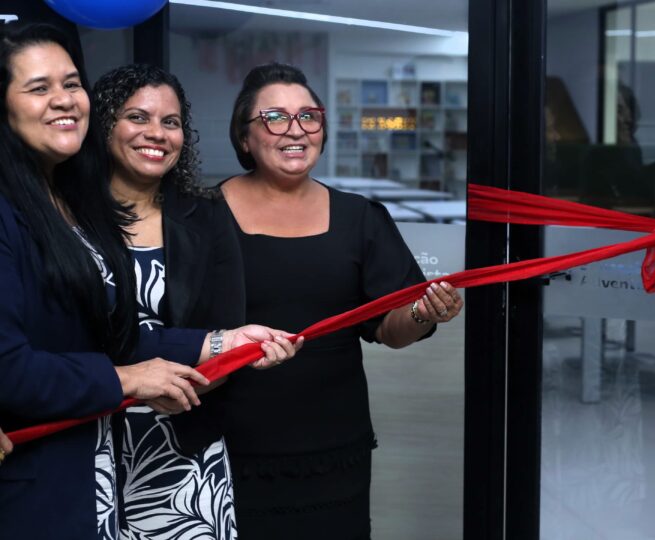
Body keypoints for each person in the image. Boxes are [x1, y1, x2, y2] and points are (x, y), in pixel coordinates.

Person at [0, 24, 300, 540]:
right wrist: (127, 379)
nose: (62, 100)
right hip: (39, 487)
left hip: (92, 481)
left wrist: (220, 341)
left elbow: (98, 335)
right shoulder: (12, 208)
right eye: (38, 87)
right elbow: (9, 367)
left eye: (71, 84)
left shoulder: (57, 204)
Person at [217, 62, 464, 538]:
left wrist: (422, 312)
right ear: (244, 136)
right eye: (275, 117)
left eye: (309, 116)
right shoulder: (202, 216)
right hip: (228, 444)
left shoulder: (360, 218)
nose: (296, 130)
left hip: (332, 443)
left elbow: (391, 328)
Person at [93, 63, 258, 540]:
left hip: (182, 449)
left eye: (171, 122)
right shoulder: (66, 213)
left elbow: (227, 333)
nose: (157, 134)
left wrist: (203, 376)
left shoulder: (207, 215)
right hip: (84, 437)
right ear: (104, 124)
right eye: (137, 117)